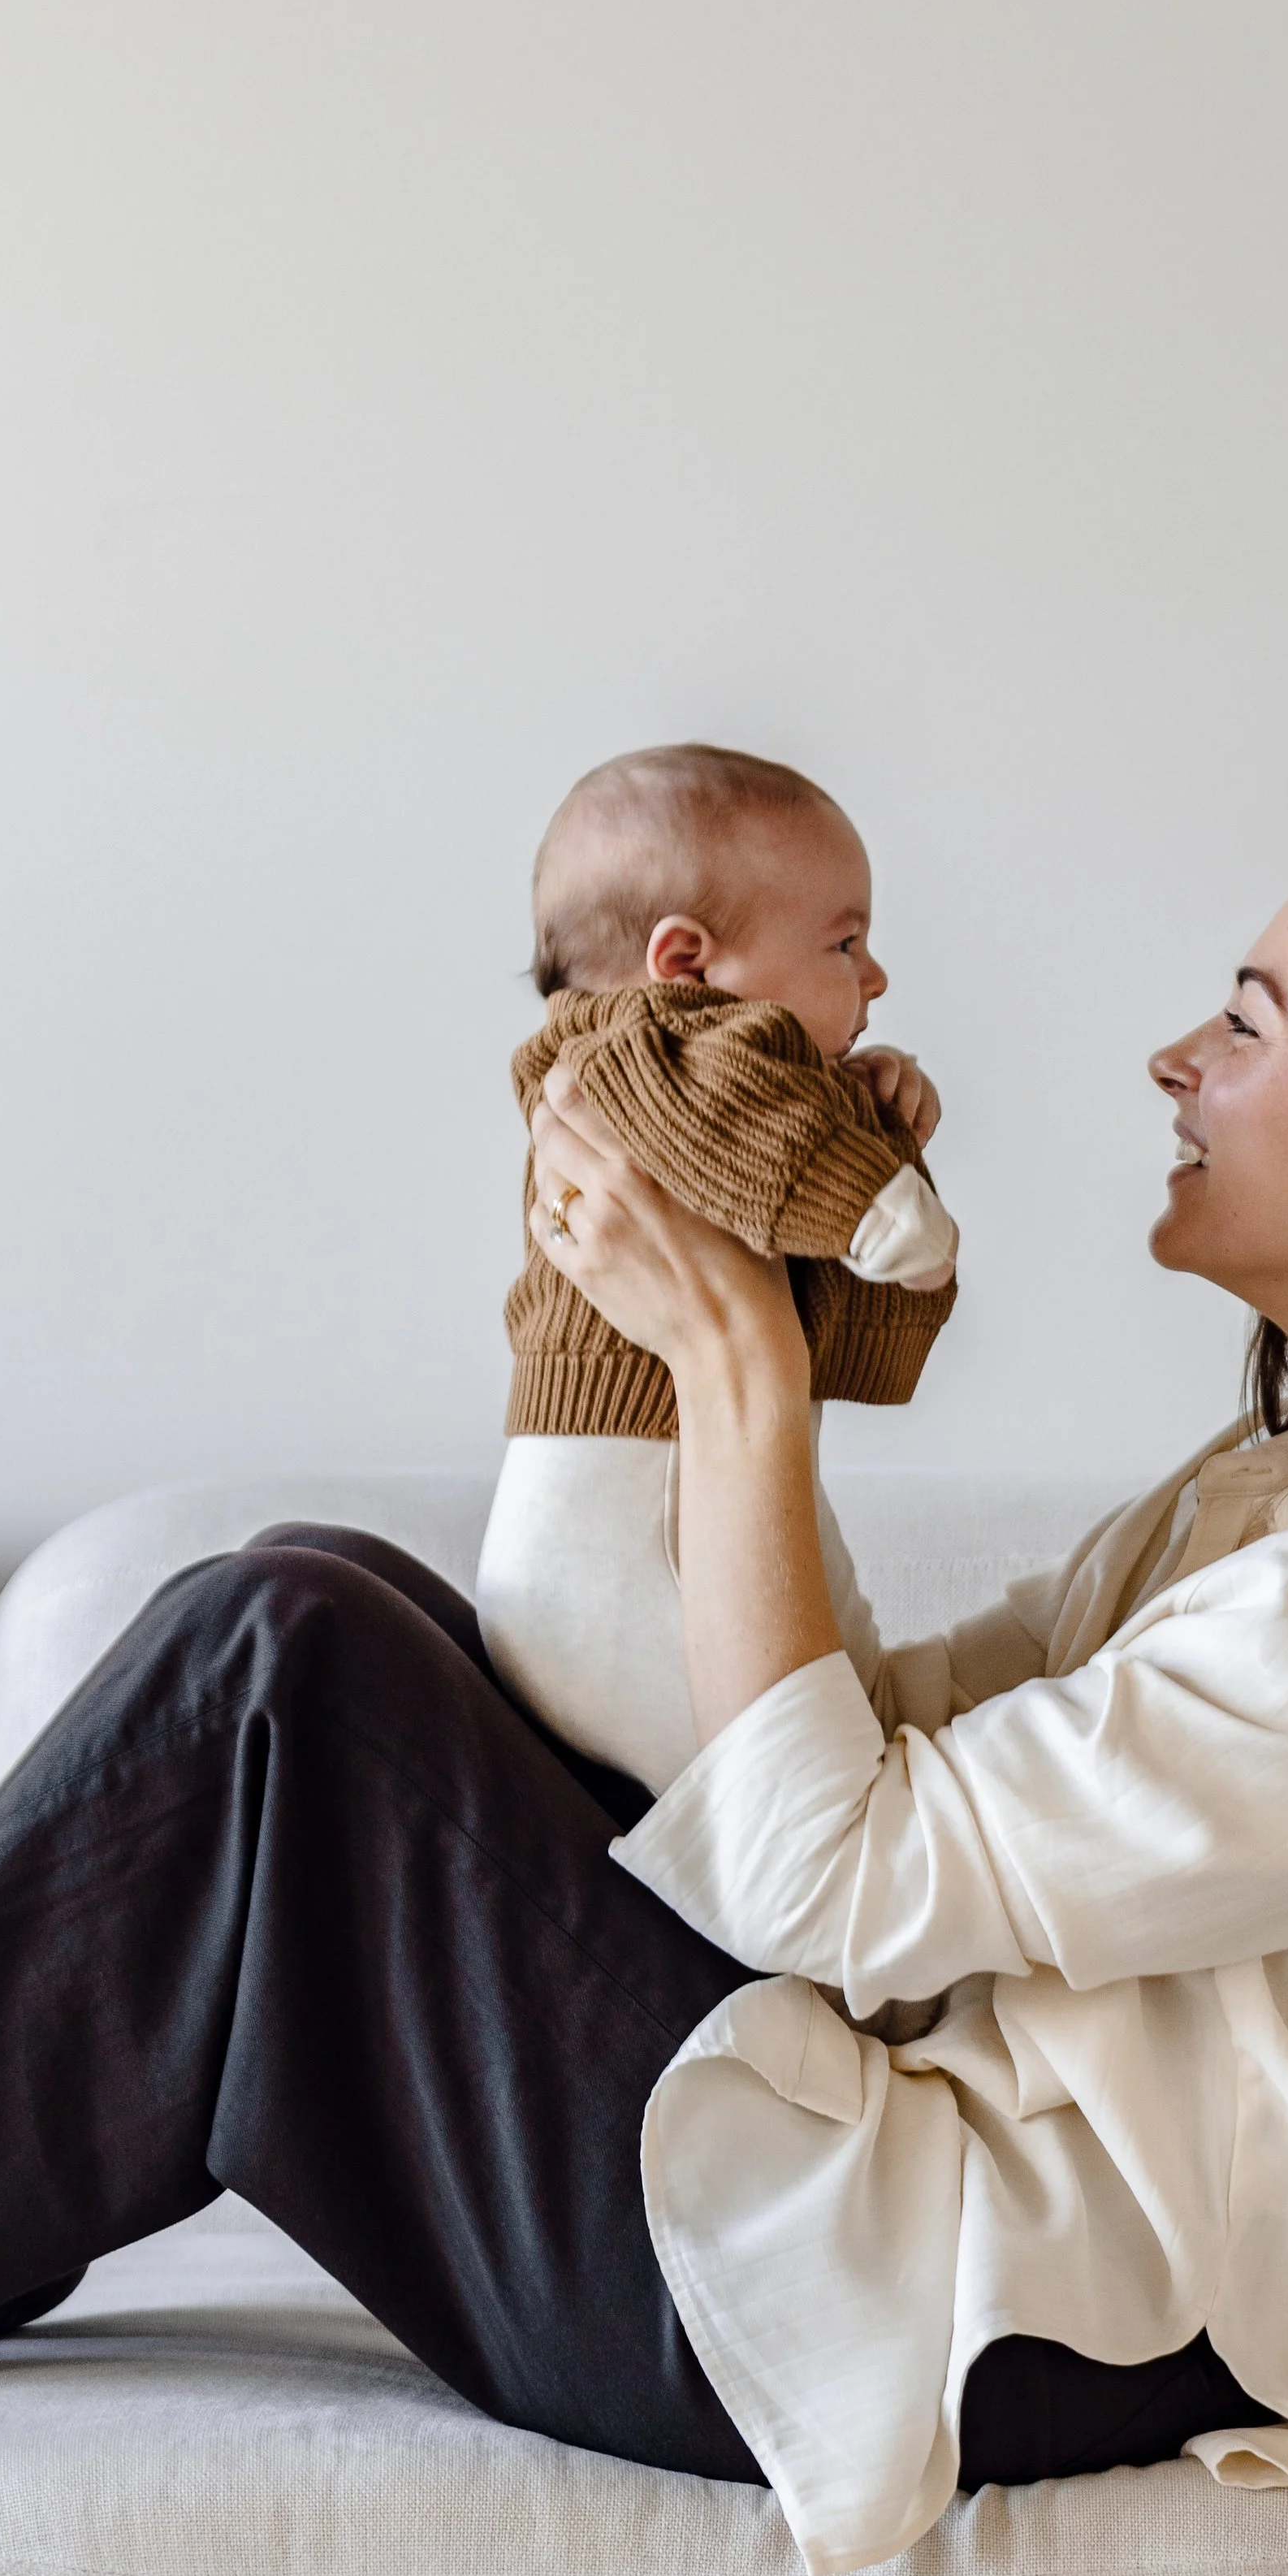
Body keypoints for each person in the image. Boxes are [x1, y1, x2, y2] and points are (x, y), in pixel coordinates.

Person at [0, 833, 1288, 2576]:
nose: (1175, 1060)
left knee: (278, 1659)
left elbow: (831, 1879)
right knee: (349, 1604)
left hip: (978, 2327)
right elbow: (849, 1731)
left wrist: (739, 1363)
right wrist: (721, 1329)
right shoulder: (1275, 1501)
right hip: (922, 2208)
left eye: (1248, 1026)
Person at [478, 742, 957, 1794]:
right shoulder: (635, 1047)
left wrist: (876, 1130)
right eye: (844, 941)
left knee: (839, 1725)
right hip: (625, 1543)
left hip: (678, 1507)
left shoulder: (696, 1076)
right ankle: (784, 1957)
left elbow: (862, 1325)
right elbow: (767, 1126)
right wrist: (882, 1202)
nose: (874, 977)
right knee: (772, 1807)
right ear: (684, 964)